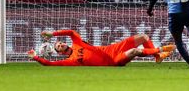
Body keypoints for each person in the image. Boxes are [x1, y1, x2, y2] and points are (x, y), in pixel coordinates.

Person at [28, 29, 175, 66]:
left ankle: (157, 57)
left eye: (60, 42)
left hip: (112, 49)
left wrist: (52, 34)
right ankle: (160, 50)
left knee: (143, 37)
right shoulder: (70, 61)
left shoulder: (77, 42)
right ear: (59, 53)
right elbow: (48, 63)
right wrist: (35, 56)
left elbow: (71, 32)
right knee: (135, 51)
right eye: (58, 46)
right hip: (113, 60)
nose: (60, 44)